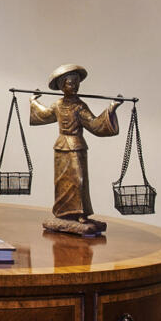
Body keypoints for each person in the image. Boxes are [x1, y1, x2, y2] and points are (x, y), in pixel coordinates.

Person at [28, 63, 120, 238]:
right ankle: (63, 214)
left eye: (77, 83)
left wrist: (111, 109)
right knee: (62, 182)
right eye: (70, 83)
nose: (75, 86)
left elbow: (94, 124)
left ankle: (80, 214)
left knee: (79, 180)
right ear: (63, 86)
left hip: (77, 145)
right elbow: (43, 115)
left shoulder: (80, 106)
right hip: (61, 146)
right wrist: (33, 102)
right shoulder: (57, 105)